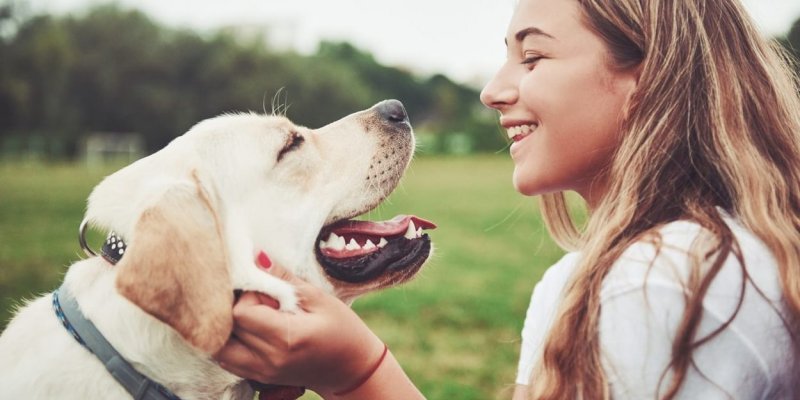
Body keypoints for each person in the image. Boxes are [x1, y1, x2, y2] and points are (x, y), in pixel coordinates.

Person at [214, 0, 800, 398]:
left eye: (534, 56)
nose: (493, 91)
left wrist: (354, 372)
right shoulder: (590, 280)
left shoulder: (660, 279)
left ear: (651, 79)